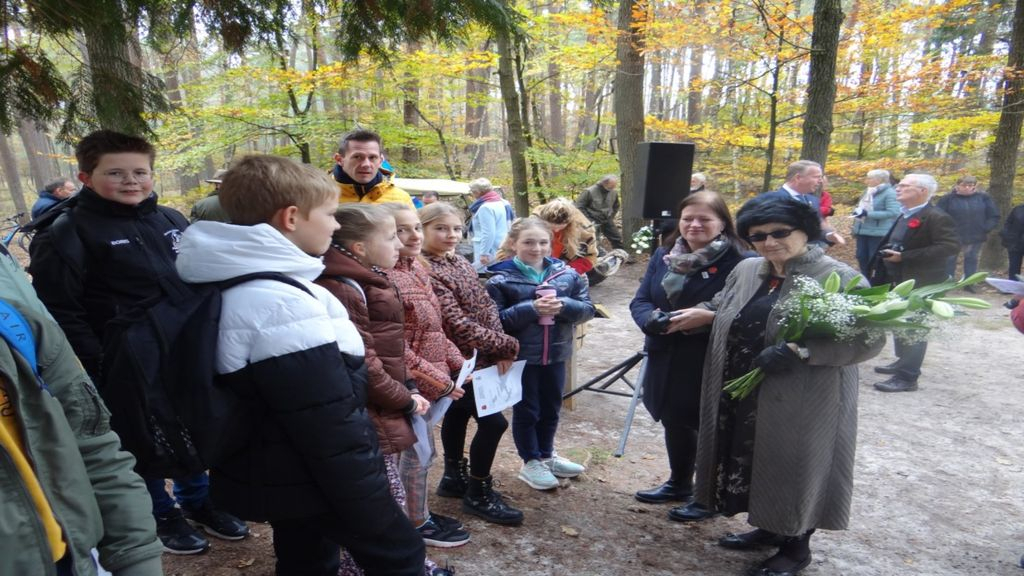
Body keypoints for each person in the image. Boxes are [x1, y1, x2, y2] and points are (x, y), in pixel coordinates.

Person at [174, 155, 427, 575]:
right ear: (292, 217)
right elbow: (327, 424)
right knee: (399, 556)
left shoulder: (238, 277)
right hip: (314, 475)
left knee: (305, 556)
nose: (334, 225)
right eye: (328, 214)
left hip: (279, 469)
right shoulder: (281, 304)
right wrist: (373, 506)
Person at [28, 130, 247, 555]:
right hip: (121, 357)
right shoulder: (66, 233)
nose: (131, 181)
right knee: (138, 436)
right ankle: (160, 512)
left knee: (191, 421)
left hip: (185, 347)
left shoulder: (170, 219)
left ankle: (198, 499)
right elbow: (60, 308)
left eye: (140, 172)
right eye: (116, 172)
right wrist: (99, 359)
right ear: (86, 177)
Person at [690, 195, 883, 576]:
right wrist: (705, 314)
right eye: (757, 235)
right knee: (757, 458)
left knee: (796, 463)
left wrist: (803, 350)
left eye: (780, 232)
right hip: (744, 384)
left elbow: (869, 338)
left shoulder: (840, 278)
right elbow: (725, 303)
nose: (769, 241)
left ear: (805, 231)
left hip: (806, 393)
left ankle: (797, 546)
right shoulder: (748, 270)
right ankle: (768, 526)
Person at [0, 245, 163, 576]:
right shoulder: (66, 235)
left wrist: (136, 556)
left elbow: (91, 440)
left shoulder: (15, 311)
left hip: (68, 557)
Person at [317, 204, 454, 574]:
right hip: (371, 409)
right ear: (360, 247)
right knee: (382, 500)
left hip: (384, 404)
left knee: (384, 497)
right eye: (391, 235)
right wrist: (404, 397)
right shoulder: (346, 287)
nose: (402, 243)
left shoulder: (372, 277)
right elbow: (364, 358)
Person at [628, 192, 746, 521]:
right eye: (688, 218)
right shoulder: (665, 254)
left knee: (708, 424)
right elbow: (640, 300)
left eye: (704, 219)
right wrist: (649, 320)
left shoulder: (741, 261)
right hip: (665, 349)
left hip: (709, 354)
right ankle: (679, 482)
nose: (694, 225)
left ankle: (707, 496)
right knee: (673, 418)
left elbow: (745, 309)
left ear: (723, 223)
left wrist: (705, 320)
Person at [419, 202, 524, 525]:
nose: (450, 235)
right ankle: (478, 492)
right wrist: (507, 344)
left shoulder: (459, 262)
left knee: (460, 414)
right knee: (494, 423)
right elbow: (456, 323)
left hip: (481, 355)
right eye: (440, 228)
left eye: (455, 228)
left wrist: (498, 343)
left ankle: (453, 476)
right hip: (455, 358)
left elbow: (485, 305)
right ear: (422, 230)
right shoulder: (426, 268)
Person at [382, 203, 471, 549]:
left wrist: (460, 363)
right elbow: (395, 346)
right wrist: (440, 379)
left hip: (433, 382)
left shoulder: (418, 270)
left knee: (419, 455)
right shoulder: (385, 278)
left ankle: (417, 514)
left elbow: (434, 330)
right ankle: (414, 522)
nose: (414, 236)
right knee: (415, 454)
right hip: (410, 383)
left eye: (416, 227)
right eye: (402, 230)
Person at [485, 217, 595, 490]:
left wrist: (564, 306)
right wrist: (532, 309)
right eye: (528, 242)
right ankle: (530, 461)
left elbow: (587, 309)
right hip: (522, 357)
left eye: (543, 242)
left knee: (551, 407)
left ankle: (547, 454)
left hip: (557, 354)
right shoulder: (500, 279)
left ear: (552, 244)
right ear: (513, 244)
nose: (536, 248)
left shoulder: (567, 274)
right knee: (528, 409)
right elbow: (495, 321)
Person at [871, 173, 960, 393]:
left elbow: (949, 247)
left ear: (923, 191)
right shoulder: (905, 214)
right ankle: (903, 362)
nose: (897, 189)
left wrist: (905, 257)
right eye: (898, 185)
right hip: (899, 279)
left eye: (904, 186)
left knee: (914, 328)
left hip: (923, 281)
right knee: (899, 322)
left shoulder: (936, 216)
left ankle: (908, 377)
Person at [763, 160, 845, 245]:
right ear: (798, 178)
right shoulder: (772, 201)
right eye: (816, 177)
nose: (820, 181)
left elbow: (818, 224)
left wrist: (829, 235)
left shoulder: (813, 200)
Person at [936, 175, 1000, 282]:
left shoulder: (983, 198)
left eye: (970, 185)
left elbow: (994, 215)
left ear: (975, 186)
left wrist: (985, 228)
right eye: (964, 185)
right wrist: (945, 230)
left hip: (975, 235)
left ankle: (969, 282)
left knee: (971, 259)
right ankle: (947, 282)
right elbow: (937, 215)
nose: (967, 188)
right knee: (950, 259)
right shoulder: (947, 199)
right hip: (952, 236)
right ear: (957, 186)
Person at [332, 129, 415, 206]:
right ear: (339, 159)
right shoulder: (321, 197)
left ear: (380, 160)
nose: (366, 164)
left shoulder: (401, 199)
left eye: (372, 157)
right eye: (357, 157)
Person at [852, 169, 901, 277]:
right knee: (861, 257)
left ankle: (875, 281)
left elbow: (893, 212)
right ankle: (864, 280)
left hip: (878, 233)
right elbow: (861, 207)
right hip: (863, 230)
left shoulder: (890, 193)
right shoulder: (868, 191)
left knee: (873, 258)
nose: (866, 181)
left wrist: (867, 214)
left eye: (869, 178)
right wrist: (857, 212)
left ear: (879, 180)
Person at [532, 198, 598, 275]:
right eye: (551, 227)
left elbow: (591, 257)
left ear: (569, 223)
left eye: (560, 227)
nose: (556, 231)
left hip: (568, 268)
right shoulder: (532, 224)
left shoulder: (585, 231)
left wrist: (569, 271)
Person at [467, 178, 513, 271]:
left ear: (478, 192)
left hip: (489, 249)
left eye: (472, 191)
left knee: (483, 274)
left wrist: (484, 253)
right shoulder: (502, 202)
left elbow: (488, 232)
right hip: (499, 245)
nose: (471, 194)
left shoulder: (486, 207)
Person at [576, 174, 625, 251]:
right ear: (604, 183)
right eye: (611, 187)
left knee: (617, 237)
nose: (612, 188)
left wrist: (611, 216)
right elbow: (579, 207)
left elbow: (616, 205)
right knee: (593, 240)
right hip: (592, 219)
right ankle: (596, 257)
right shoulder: (589, 191)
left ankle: (622, 254)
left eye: (614, 186)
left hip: (607, 218)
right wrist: (588, 220)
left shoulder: (613, 192)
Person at [1001, 202, 1024, 281]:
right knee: (1014, 267)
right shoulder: (1017, 209)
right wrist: (1007, 236)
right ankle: (1012, 287)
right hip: (1015, 243)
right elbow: (1008, 223)